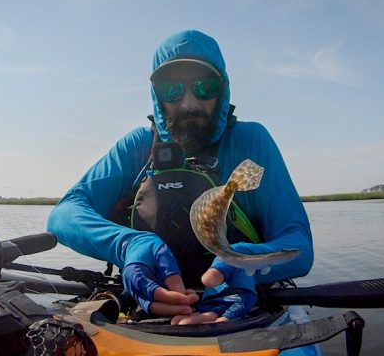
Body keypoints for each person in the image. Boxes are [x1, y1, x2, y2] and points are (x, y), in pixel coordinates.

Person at [47, 30, 313, 325]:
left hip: (246, 308)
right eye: (171, 89)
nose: (189, 104)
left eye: (204, 86)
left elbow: (299, 244)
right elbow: (64, 215)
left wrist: (246, 263)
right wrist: (127, 244)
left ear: (223, 89)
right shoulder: (137, 146)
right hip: (148, 311)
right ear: (156, 95)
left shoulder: (250, 140)